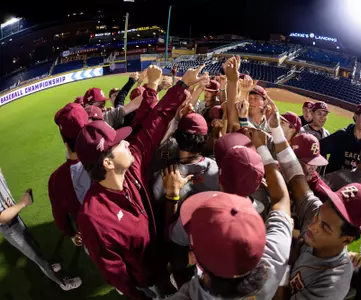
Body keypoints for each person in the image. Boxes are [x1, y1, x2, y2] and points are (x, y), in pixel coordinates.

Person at [75, 65, 207, 299]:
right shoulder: (93, 218)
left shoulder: (131, 164)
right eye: (119, 143)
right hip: (147, 281)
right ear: (107, 163)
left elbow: (154, 122)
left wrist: (182, 85)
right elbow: (116, 275)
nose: (127, 142)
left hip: (162, 259)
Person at [164, 127, 293, 300]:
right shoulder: (273, 258)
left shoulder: (190, 295)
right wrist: (263, 148)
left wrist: (171, 197)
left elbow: (175, 256)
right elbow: (281, 199)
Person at [266, 107, 361, 300]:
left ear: (347, 240)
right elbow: (298, 179)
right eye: (318, 216)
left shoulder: (333, 283)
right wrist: (275, 131)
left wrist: (285, 263)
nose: (313, 226)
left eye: (325, 227)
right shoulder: (323, 214)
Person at [1, 171, 82, 291]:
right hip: (8, 226)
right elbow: (1, 218)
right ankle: (63, 283)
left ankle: (49, 265)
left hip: (14, 217)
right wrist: (23, 203)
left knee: (34, 245)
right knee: (38, 259)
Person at [49, 103, 91, 245]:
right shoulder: (113, 155)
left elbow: (60, 217)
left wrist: (71, 234)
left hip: (91, 237)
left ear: (64, 140)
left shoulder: (56, 179)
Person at [320, 103, 361, 174]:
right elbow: (320, 149)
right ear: (356, 116)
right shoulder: (341, 135)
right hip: (331, 183)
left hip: (352, 185)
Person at [290, 133, 330, 202]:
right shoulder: (277, 172)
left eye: (316, 163)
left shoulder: (316, 185)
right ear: (294, 159)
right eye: (309, 162)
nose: (313, 167)